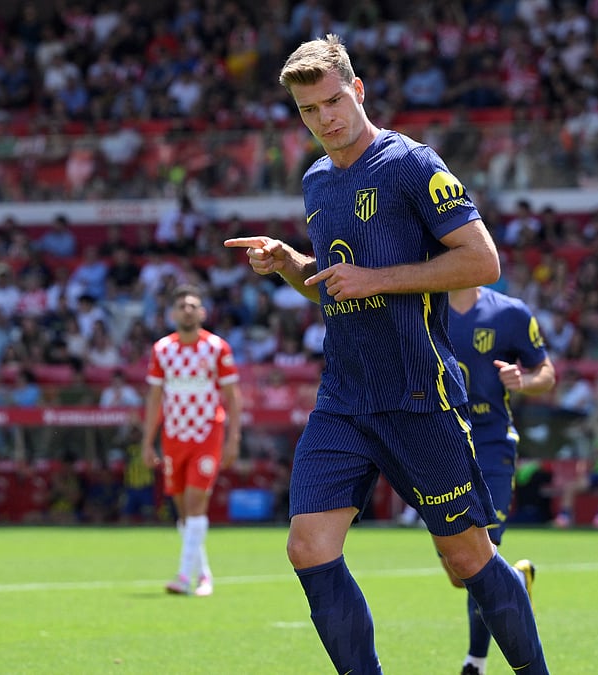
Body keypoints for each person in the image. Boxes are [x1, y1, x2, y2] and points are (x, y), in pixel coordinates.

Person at [223, 35, 548, 675]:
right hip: (344, 398)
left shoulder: (411, 164)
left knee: (467, 558)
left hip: (418, 394)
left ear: (358, 90)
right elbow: (335, 282)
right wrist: (290, 264)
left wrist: (376, 279)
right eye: (309, 110)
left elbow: (483, 261)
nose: (325, 119)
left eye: (333, 101)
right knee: (308, 547)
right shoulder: (317, 181)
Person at [443, 284, 556, 675]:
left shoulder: (509, 313)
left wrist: (524, 380)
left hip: (491, 445)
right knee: (459, 571)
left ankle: (475, 662)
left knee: (481, 554)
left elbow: (547, 373)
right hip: (439, 446)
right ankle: (517, 580)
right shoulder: (421, 305)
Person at [141, 285, 242, 597]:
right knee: (183, 510)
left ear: (202, 312)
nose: (187, 310)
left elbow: (232, 396)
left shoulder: (216, 348)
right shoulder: (162, 350)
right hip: (174, 435)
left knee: (197, 501)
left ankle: (184, 576)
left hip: (207, 432)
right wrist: (147, 441)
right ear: (172, 313)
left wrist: (233, 439)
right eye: (182, 306)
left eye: (193, 305)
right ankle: (204, 575)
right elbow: (154, 398)